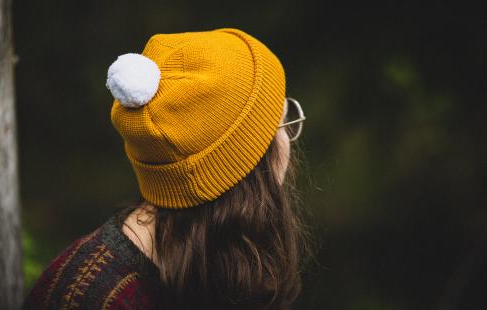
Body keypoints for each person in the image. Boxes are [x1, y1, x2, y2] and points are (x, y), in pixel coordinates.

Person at [23, 27, 310, 310]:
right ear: (241, 168)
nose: (288, 142)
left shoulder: (222, 261)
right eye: (283, 122)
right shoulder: (90, 297)